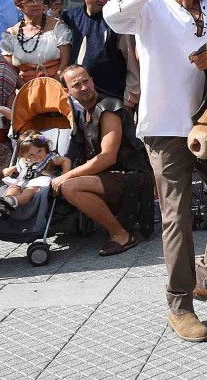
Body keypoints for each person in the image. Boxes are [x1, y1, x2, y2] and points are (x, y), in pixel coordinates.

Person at [104, 0, 207, 342]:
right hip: (166, 127)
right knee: (177, 217)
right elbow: (111, 15)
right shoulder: (149, 7)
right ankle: (180, 304)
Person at [55, 64, 149, 256]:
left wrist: (68, 176)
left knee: (70, 186)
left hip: (131, 176)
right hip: (110, 176)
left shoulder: (108, 108)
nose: (84, 87)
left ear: (92, 80)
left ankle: (121, 236)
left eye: (86, 81)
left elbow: (107, 157)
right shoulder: (82, 113)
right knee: (66, 181)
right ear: (67, 91)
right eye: (76, 85)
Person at [61, 0, 134, 100]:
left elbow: (130, 59)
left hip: (111, 94)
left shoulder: (115, 19)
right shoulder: (70, 17)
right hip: (79, 95)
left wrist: (131, 96)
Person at [2, 0, 72, 81]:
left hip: (56, 84)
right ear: (19, 6)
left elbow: (65, 63)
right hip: (26, 87)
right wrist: (25, 87)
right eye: (29, 1)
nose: (35, 4)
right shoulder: (11, 34)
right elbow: (10, 70)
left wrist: (54, 83)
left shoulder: (58, 27)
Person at [0, 133, 70, 213]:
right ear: (23, 155)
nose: (36, 156)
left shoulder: (50, 159)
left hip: (39, 184)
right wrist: (12, 168)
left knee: (30, 191)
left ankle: (15, 201)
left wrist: (64, 175)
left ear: (45, 147)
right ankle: (5, 203)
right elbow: (21, 169)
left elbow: (66, 160)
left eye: (39, 151)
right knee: (13, 188)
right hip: (23, 182)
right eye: (31, 155)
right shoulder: (24, 161)